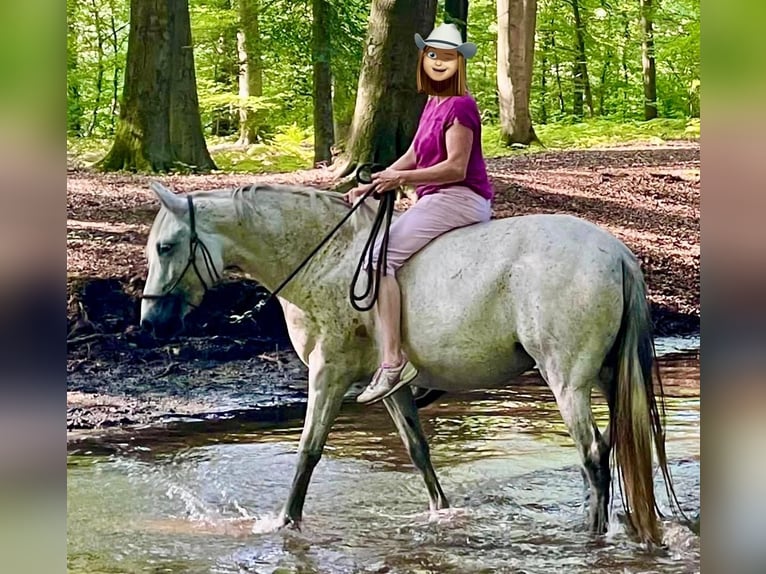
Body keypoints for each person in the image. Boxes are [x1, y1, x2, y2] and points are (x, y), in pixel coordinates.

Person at [345, 23, 494, 405]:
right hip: (435, 197)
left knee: (377, 259)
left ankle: (393, 362)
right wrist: (376, 181)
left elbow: (456, 167)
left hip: (457, 196)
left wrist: (403, 178)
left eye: (446, 57)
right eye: (432, 55)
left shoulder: (460, 104)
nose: (437, 63)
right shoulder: (433, 103)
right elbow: (412, 155)